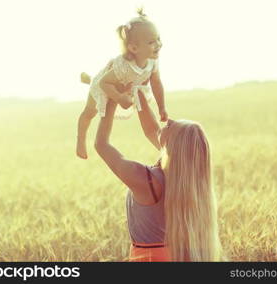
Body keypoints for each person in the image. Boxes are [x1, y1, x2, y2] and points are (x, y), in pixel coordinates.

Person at [94, 94, 223, 262]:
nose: (169, 120)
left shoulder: (144, 179)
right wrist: (136, 91)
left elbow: (101, 144)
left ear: (174, 145)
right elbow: (150, 130)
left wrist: (109, 100)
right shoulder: (185, 178)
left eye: (172, 126)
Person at [77, 8, 168, 159]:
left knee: (146, 115)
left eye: (158, 39)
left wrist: (162, 107)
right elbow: (104, 83)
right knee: (89, 112)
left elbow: (156, 83)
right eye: (152, 42)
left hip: (128, 87)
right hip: (106, 86)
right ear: (133, 48)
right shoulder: (125, 66)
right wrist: (119, 98)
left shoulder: (152, 61)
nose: (158, 44)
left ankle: (162, 149)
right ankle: (80, 140)